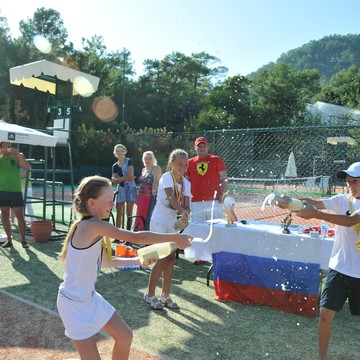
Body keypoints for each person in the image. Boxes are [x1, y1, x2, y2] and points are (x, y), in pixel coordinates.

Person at [57, 175, 192, 359]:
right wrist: (175, 238)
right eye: (109, 200)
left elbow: (105, 261)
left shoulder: (93, 227)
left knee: (125, 336)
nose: (112, 204)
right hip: (72, 304)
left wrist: (137, 260)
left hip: (89, 298)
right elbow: (137, 237)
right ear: (92, 203)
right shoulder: (92, 226)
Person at [276, 162, 360, 360]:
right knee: (324, 313)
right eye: (349, 182)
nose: (351, 185)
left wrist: (315, 214)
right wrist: (291, 201)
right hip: (339, 267)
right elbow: (315, 202)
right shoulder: (342, 199)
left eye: (355, 181)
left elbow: (350, 221)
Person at [144, 149, 191, 310]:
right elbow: (171, 198)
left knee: (171, 259)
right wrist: (182, 211)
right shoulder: (166, 177)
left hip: (172, 225)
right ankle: (150, 294)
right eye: (179, 164)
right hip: (159, 222)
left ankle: (165, 295)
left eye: (185, 164)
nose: (183, 167)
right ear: (171, 164)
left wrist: (186, 214)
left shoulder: (187, 183)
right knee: (162, 258)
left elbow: (186, 204)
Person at [185, 137, 228, 264]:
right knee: (199, 229)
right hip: (196, 201)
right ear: (195, 148)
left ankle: (217, 255)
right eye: (199, 146)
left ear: (207, 147)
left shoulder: (215, 159)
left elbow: (224, 178)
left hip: (214, 200)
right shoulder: (190, 162)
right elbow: (186, 181)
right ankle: (201, 255)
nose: (202, 148)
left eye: (204, 146)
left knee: (215, 227)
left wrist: (224, 193)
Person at [0, 142, 30, 248]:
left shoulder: (17, 157)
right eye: (4, 146)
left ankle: (23, 240)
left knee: (20, 216)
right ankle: (9, 240)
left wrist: (18, 156)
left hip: (15, 191)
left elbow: (27, 167)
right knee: (5, 216)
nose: (6, 148)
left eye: (8, 146)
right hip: (2, 192)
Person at [133, 151, 162, 231]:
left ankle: (147, 237)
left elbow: (156, 181)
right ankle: (138, 234)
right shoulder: (143, 170)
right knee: (139, 215)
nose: (148, 160)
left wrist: (154, 193)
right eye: (146, 158)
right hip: (141, 197)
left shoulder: (156, 168)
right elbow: (141, 183)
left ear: (153, 159)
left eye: (150, 158)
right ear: (143, 159)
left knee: (148, 216)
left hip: (151, 196)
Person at [111, 144, 137, 231]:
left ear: (124, 151)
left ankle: (128, 235)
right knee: (119, 213)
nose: (120, 152)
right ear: (115, 153)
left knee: (129, 213)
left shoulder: (129, 161)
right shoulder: (115, 166)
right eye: (117, 151)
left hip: (130, 188)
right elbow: (113, 180)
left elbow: (129, 176)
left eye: (121, 150)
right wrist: (120, 179)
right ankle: (117, 236)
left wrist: (118, 179)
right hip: (121, 189)